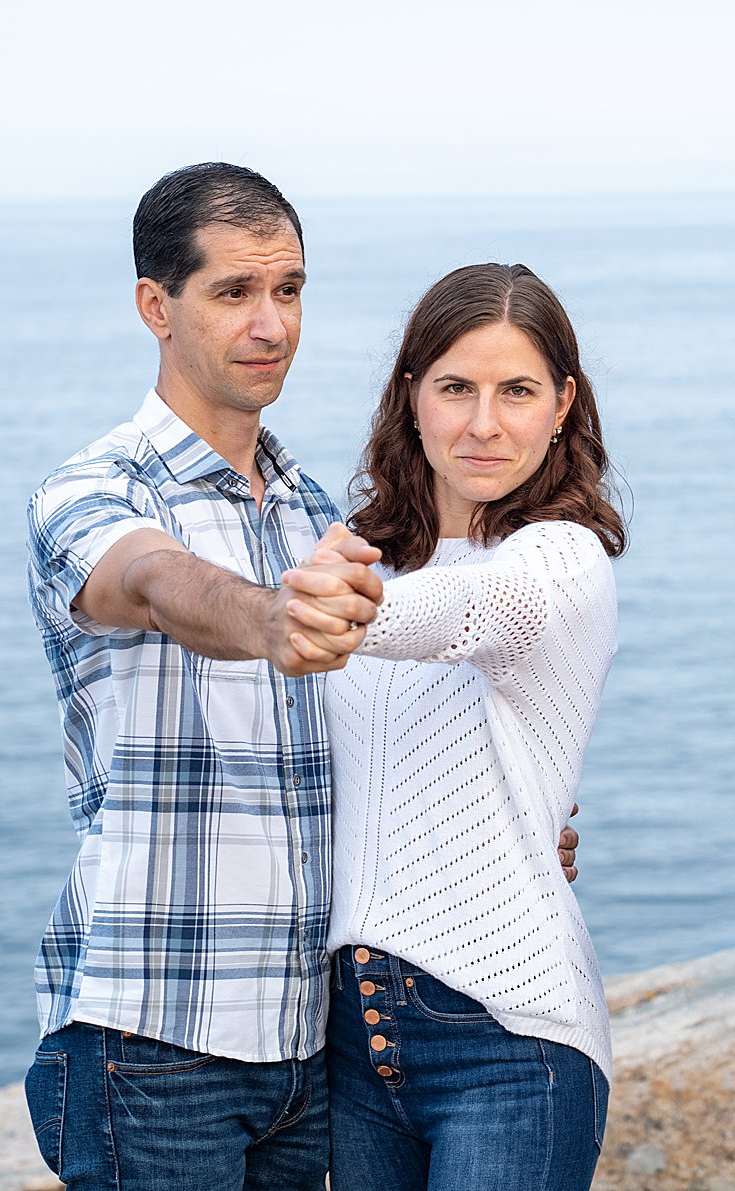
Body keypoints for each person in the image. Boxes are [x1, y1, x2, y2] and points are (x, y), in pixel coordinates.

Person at [22, 165, 583, 1189]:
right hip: (154, 1040)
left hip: (318, 1055)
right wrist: (267, 616)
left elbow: (360, 738)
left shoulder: (314, 512)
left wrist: (505, 819)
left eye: (288, 290)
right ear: (157, 305)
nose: (270, 323)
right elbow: (151, 583)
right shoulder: (92, 490)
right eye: (233, 292)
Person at [296, 264, 625, 1188]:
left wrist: (331, 603)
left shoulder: (562, 558)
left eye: (517, 391)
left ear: (562, 404)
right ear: (412, 397)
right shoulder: (352, 558)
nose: (484, 423)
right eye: (455, 388)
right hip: (351, 1043)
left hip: (510, 1038)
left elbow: (471, 607)